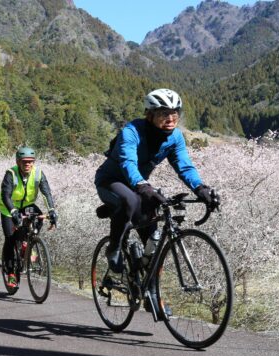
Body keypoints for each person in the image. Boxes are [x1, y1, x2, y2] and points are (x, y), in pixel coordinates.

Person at [94, 88, 220, 319]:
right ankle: (114, 247)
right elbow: (128, 162)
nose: (170, 118)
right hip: (111, 181)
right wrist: (143, 186)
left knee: (153, 242)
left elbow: (184, 166)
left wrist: (200, 188)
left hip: (140, 185)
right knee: (129, 200)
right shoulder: (132, 131)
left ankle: (153, 297)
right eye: (163, 113)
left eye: (174, 113)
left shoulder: (175, 138)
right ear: (149, 114)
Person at [0, 146, 58, 288]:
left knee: (39, 218)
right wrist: (13, 211)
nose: (27, 164)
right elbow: (6, 195)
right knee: (10, 238)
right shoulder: (11, 174)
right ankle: (11, 274)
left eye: (30, 161)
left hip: (27, 205)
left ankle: (28, 242)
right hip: (8, 207)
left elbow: (46, 193)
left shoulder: (38, 174)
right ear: (18, 162)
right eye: (24, 161)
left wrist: (52, 210)